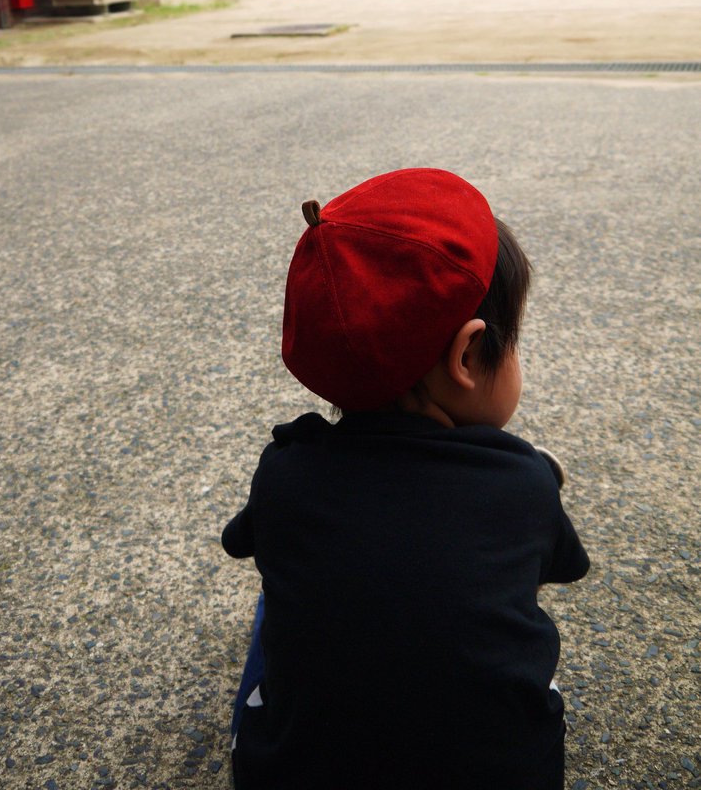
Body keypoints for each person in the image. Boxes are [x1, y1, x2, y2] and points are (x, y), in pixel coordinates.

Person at [222, 168, 590, 790]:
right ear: (469, 357)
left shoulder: (285, 472)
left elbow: (243, 542)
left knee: (271, 612)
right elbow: (561, 568)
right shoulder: (525, 482)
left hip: (288, 774)